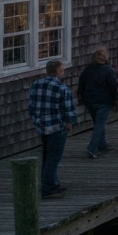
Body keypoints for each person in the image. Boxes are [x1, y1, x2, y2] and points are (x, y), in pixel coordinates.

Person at [29, 60, 75, 199]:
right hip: (56, 126)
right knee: (54, 157)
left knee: (47, 155)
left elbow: (31, 106)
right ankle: (48, 187)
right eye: (62, 69)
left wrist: (36, 120)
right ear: (58, 71)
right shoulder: (61, 88)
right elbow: (68, 109)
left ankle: (51, 183)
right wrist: (69, 122)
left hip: (41, 125)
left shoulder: (36, 84)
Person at [76, 48, 118, 158]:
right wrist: (116, 99)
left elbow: (81, 84)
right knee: (100, 125)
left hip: (90, 101)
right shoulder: (109, 71)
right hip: (104, 101)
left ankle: (103, 146)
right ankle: (92, 148)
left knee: (98, 123)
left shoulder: (88, 70)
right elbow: (114, 87)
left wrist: (81, 97)